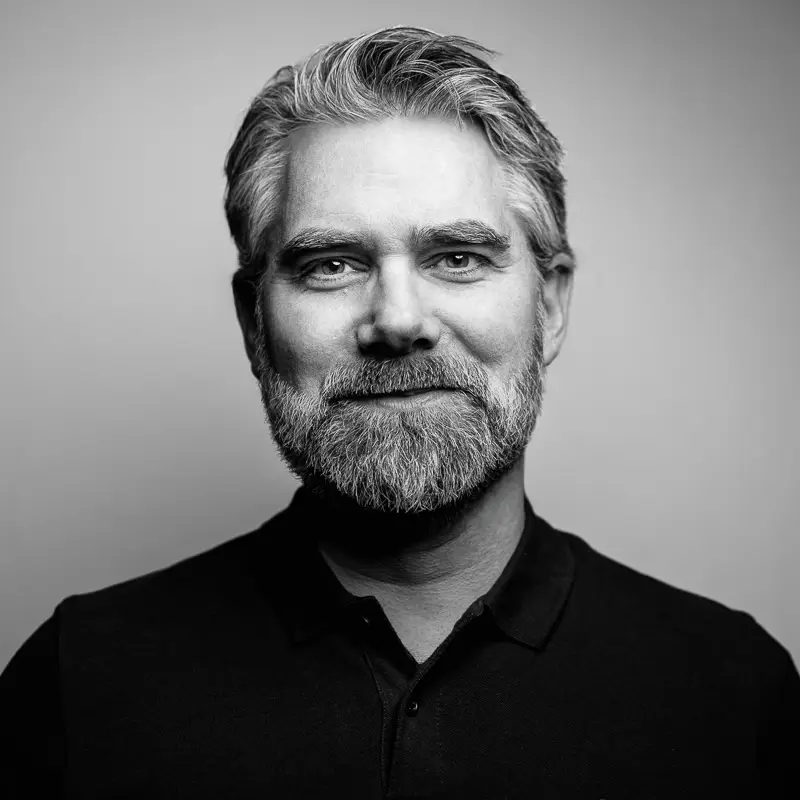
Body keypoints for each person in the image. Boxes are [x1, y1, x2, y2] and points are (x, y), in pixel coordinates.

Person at [1, 25, 798, 799]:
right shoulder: (78, 681)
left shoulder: (734, 692)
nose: (397, 319)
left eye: (457, 256)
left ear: (550, 306)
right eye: (331, 264)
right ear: (254, 324)